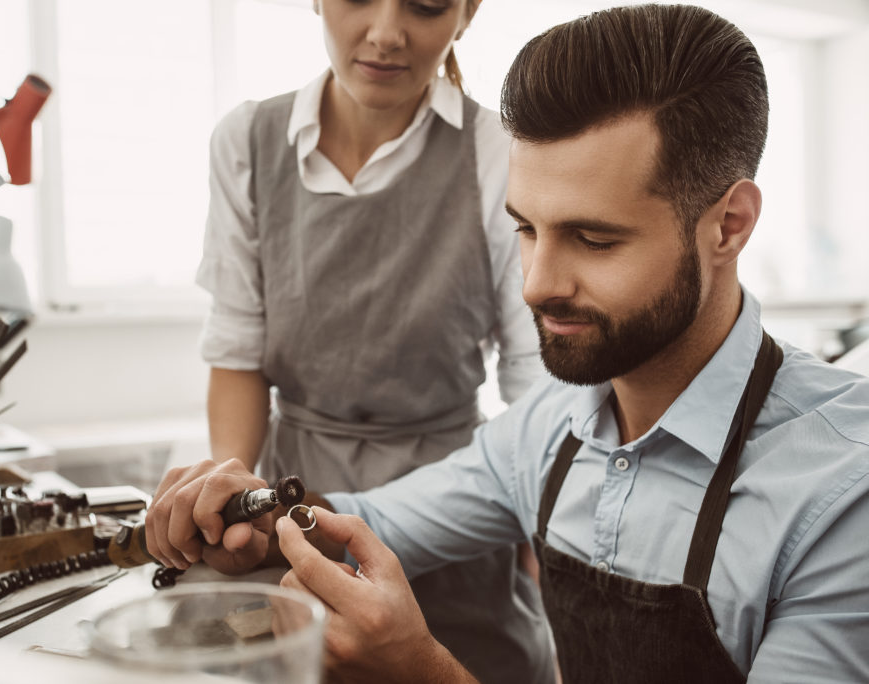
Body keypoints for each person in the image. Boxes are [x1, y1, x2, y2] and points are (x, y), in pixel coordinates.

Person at [148, 3, 869, 681]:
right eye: (526, 229)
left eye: (594, 239)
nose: (536, 284)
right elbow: (374, 519)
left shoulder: (842, 494)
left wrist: (419, 667)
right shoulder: (546, 431)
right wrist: (253, 511)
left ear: (729, 225)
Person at [189, 0, 551, 682]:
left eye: (425, 6)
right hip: (295, 501)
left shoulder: (499, 152)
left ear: (467, 12)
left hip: (455, 505)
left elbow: (538, 386)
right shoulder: (247, 141)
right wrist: (232, 509)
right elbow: (238, 355)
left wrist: (553, 525)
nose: (386, 34)